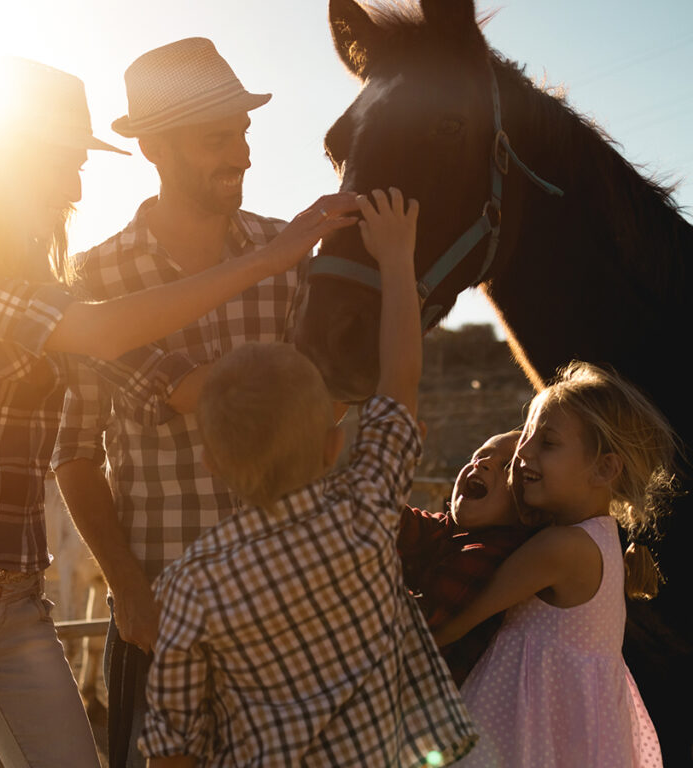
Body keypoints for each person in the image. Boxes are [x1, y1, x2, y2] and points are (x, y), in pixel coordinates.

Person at [0, 56, 357, 768]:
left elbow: (172, 381)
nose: (77, 188)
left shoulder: (54, 290)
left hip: (18, 599)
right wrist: (267, 261)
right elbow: (102, 334)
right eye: (63, 165)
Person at [51, 37, 346, 767]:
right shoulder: (93, 279)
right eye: (218, 138)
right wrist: (127, 588)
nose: (241, 154)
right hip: (161, 609)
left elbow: (324, 410)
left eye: (242, 132)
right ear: (154, 147)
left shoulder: (291, 259)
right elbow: (75, 454)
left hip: (286, 606)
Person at [139, 189, 477, 767]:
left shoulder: (187, 586)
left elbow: (172, 748)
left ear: (212, 462)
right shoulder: (367, 512)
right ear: (332, 445)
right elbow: (400, 380)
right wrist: (397, 260)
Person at [436, 362, 675, 767]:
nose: (523, 453)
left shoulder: (561, 548)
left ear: (604, 468)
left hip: (520, 734)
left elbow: (458, 620)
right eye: (527, 435)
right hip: (575, 738)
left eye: (547, 443)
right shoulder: (601, 538)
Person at [397, 430, 540, 685]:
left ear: (526, 509)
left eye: (507, 466)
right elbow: (398, 522)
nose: (482, 463)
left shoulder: (492, 553)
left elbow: (420, 619)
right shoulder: (449, 529)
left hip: (422, 693)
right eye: (479, 455)